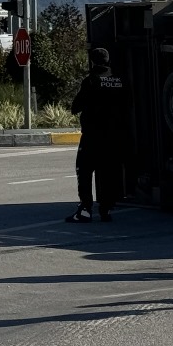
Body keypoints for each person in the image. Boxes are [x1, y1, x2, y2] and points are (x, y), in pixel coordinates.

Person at [66, 47, 129, 223]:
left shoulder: (91, 81)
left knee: (84, 170)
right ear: (108, 61)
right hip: (114, 137)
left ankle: (85, 209)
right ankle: (106, 209)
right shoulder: (119, 81)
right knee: (108, 172)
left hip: (93, 136)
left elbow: (75, 107)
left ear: (92, 61)